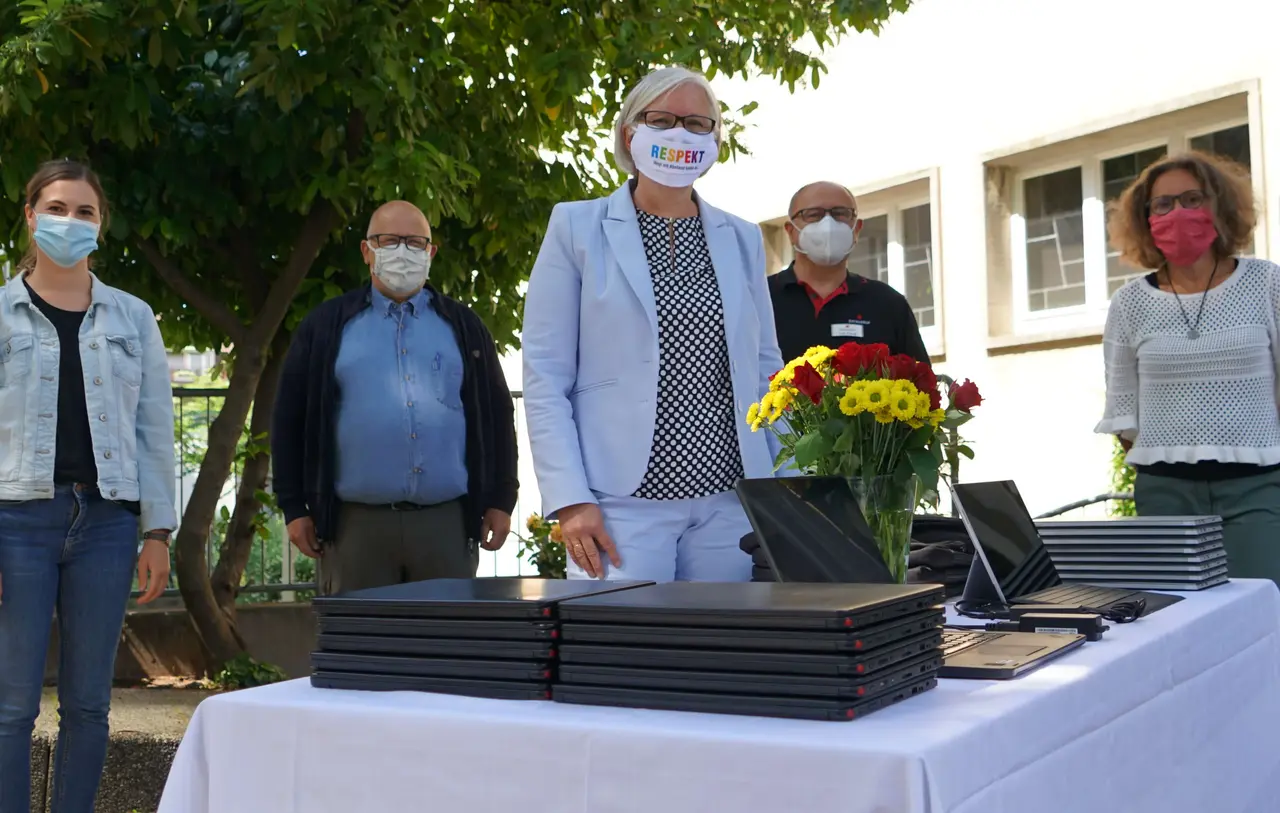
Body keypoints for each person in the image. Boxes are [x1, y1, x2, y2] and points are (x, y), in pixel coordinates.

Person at [522, 66, 783, 583]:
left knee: (721, 655)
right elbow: (545, 375)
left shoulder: (742, 237)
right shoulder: (576, 226)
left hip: (729, 503)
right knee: (621, 656)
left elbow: (764, 366)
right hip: (619, 505)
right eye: (660, 120)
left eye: (696, 123)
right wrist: (570, 500)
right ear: (629, 133)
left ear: (715, 139)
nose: (679, 134)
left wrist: (787, 487)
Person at [0, 160, 176, 812]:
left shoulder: (134, 318)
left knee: (88, 704)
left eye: (83, 211)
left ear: (101, 225)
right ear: (29, 214)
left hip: (106, 523)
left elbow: (156, 429)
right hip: (17, 521)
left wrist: (156, 530)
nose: (68, 221)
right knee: (12, 703)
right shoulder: (2, 313)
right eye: (55, 207)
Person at [272, 200, 518, 593]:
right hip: (355, 528)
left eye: (415, 242)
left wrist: (502, 498)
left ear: (432, 252)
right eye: (389, 241)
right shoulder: (326, 327)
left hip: (445, 525)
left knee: (444, 651)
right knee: (361, 648)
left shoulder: (465, 327)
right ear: (367, 251)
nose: (403, 252)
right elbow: (289, 418)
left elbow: (498, 415)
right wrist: (293, 506)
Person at [1099, 150, 1280, 584]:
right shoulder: (1129, 303)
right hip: (1166, 494)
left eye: (1192, 198)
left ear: (1219, 205)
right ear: (1146, 219)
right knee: (1180, 622)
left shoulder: (1266, 282)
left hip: (1256, 489)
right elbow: (1125, 411)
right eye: (1162, 204)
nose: (1177, 212)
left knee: (1262, 617)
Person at [770, 181, 929, 364]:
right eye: (813, 215)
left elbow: (920, 382)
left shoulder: (888, 304)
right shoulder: (760, 299)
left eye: (840, 214)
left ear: (857, 229)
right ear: (790, 231)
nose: (828, 224)